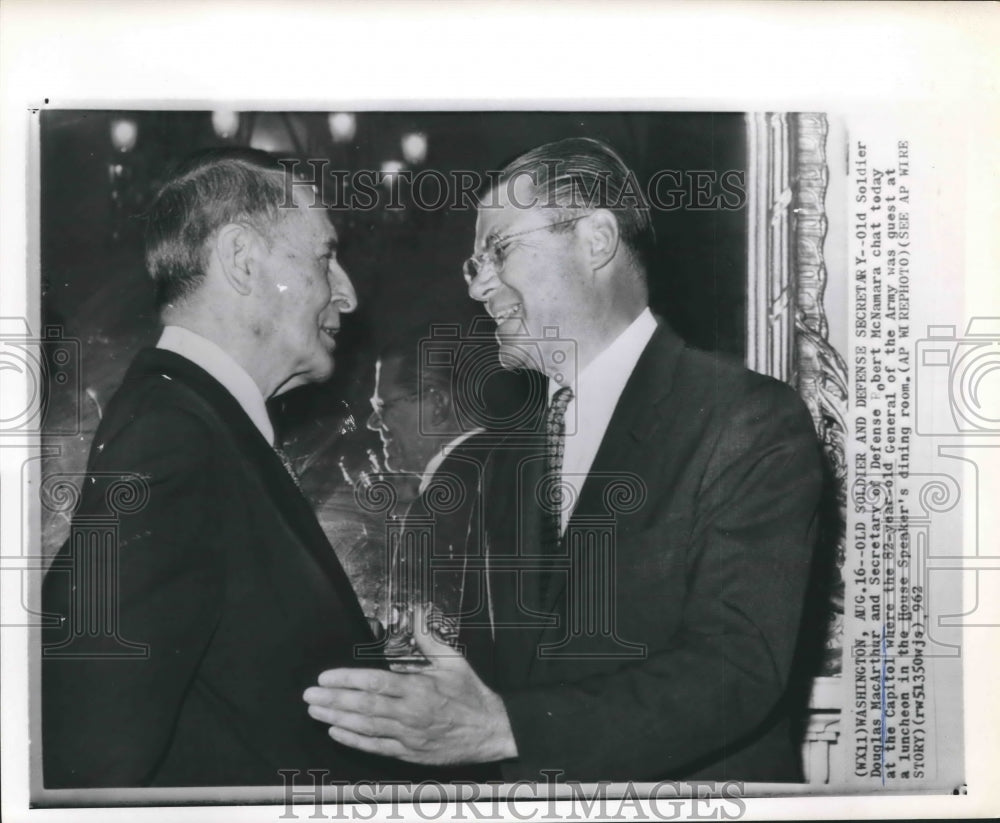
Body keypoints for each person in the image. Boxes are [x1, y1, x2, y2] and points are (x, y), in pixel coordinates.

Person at [303, 137, 824, 782]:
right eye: (473, 265)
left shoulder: (746, 419)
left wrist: (502, 730)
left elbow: (736, 671)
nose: (479, 287)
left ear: (596, 239)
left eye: (499, 250)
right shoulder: (503, 455)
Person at [40, 148, 414, 787]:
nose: (347, 294)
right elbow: (92, 760)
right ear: (242, 259)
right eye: (325, 257)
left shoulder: (199, 424)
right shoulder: (175, 439)